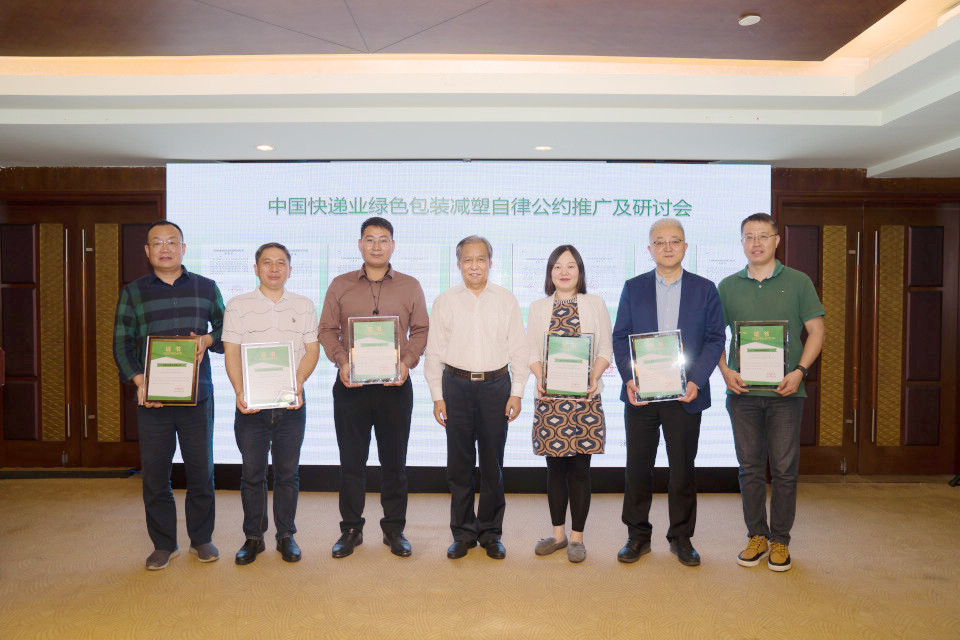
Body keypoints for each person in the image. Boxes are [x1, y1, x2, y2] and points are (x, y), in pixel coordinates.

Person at [612, 218, 725, 567]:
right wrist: (630, 377)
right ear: (650, 249)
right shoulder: (633, 287)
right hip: (641, 394)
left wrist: (697, 380)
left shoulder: (705, 289)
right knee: (638, 468)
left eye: (674, 241)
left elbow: (715, 339)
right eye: (659, 242)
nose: (667, 247)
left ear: (685, 247)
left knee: (682, 469)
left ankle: (681, 537)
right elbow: (621, 337)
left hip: (685, 394)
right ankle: (637, 536)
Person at [113, 220, 224, 570]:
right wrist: (139, 381)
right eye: (157, 243)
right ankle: (163, 544)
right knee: (156, 476)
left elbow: (226, 331)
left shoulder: (206, 287)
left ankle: (201, 539)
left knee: (201, 472)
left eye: (172, 242)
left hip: (197, 397)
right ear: (147, 251)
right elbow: (121, 344)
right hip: (153, 400)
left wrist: (208, 339)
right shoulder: (133, 292)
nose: (165, 248)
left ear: (183, 248)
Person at [717, 212, 825, 572]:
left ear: (777, 240)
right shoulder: (728, 286)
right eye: (749, 236)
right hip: (742, 395)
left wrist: (800, 371)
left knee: (784, 470)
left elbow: (817, 331)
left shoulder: (798, 281)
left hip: (786, 394)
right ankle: (756, 536)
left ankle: (780, 540)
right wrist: (725, 371)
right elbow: (714, 336)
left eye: (763, 236)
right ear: (742, 243)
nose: (756, 243)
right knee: (749, 469)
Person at [318, 217, 429, 559]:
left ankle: (394, 528)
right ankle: (351, 529)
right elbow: (326, 330)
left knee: (394, 463)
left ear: (392, 245)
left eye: (383, 240)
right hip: (351, 386)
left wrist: (406, 362)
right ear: (360, 244)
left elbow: (421, 330)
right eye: (370, 239)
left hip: (395, 387)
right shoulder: (340, 285)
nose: (376, 246)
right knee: (352, 463)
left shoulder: (410, 285)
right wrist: (342, 361)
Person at [424, 235, 528, 560]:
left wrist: (517, 392)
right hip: (455, 386)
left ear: (490, 263)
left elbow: (519, 350)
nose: (474, 265)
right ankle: (464, 533)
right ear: (458, 265)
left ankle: (491, 533)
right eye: (467, 260)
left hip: (496, 387)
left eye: (480, 259)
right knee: (459, 464)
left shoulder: (506, 300)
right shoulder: (445, 301)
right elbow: (434, 353)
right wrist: (437, 397)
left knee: (492, 464)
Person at [223, 242, 319, 565]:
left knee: (287, 474)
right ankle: (253, 537)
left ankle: (286, 535)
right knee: (252, 474)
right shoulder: (237, 305)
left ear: (290, 270)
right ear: (256, 269)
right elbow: (231, 352)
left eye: (281, 263)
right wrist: (240, 391)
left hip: (291, 405)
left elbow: (312, 350)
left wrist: (297, 383)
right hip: (251, 406)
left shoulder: (304, 305)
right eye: (267, 262)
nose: (274, 268)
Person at [526, 245, 612, 563]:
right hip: (550, 399)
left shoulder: (595, 304)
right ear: (550, 272)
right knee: (555, 470)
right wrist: (539, 377)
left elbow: (605, 349)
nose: (564, 272)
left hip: (585, 400)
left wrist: (594, 377)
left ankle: (577, 538)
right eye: (557, 266)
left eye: (571, 266)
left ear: (580, 271)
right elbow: (531, 351)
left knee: (580, 470)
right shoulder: (537, 307)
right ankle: (558, 535)